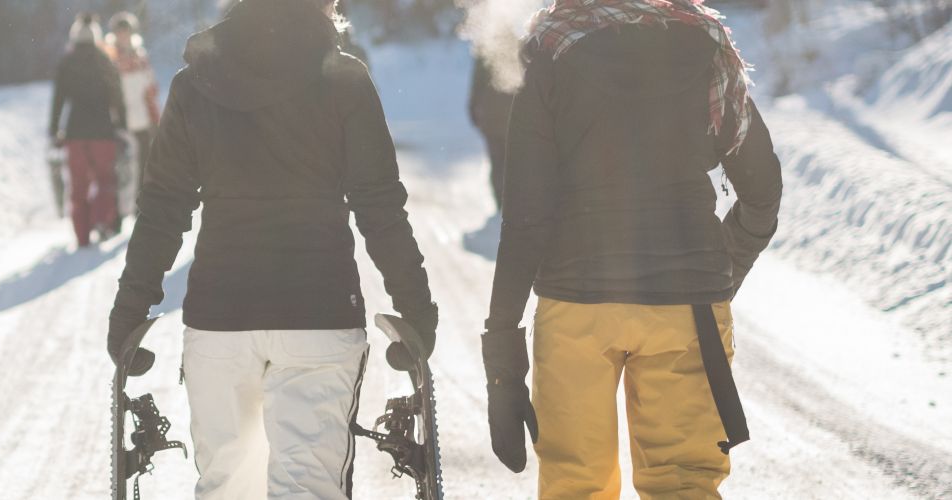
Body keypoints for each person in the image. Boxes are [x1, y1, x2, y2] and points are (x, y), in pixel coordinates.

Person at [107, 0, 438, 498]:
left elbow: (163, 208)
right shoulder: (344, 80)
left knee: (227, 488)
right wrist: (416, 308)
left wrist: (129, 310)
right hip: (318, 313)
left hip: (220, 317)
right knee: (307, 489)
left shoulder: (195, 83)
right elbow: (380, 207)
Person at [481, 0, 782, 498]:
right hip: (687, 307)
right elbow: (763, 191)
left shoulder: (552, 49)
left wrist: (503, 363)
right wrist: (721, 273)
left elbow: (526, 220)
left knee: (576, 487)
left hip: (576, 308)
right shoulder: (707, 48)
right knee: (684, 483)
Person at [50, 12, 126, 247]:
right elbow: (117, 95)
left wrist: (54, 130)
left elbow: (58, 99)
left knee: (78, 186)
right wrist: (121, 124)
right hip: (103, 132)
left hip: (75, 133)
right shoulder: (104, 60)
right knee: (105, 180)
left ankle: (82, 235)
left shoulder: (67, 62)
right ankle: (102, 220)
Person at [106, 12, 162, 231]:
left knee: (144, 168)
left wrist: (154, 117)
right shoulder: (110, 58)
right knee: (121, 170)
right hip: (120, 123)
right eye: (120, 32)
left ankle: (141, 211)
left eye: (126, 32)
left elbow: (152, 88)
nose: (124, 36)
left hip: (143, 120)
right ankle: (117, 215)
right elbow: (109, 91)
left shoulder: (140, 56)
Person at [468, 51, 516, 210]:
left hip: (491, 116)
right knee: (514, 162)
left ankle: (501, 201)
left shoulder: (486, 47)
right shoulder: (519, 44)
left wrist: (473, 108)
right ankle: (511, 201)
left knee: (497, 162)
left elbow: (477, 82)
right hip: (513, 116)